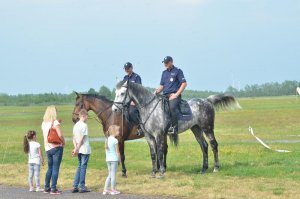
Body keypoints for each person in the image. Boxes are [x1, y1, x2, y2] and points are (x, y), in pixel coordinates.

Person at [154, 56, 187, 135]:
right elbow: (162, 86)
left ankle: (174, 128)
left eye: (167, 62)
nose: (165, 64)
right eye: (164, 63)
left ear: (171, 62)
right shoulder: (164, 73)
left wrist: (176, 94)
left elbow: (184, 83)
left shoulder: (178, 71)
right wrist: (157, 91)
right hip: (165, 95)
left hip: (174, 96)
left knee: (172, 108)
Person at [41, 105, 65, 195]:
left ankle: (47, 187)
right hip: (56, 147)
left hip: (47, 148)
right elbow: (59, 135)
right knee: (55, 168)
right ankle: (53, 189)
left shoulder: (43, 123)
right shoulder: (54, 122)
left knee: (50, 168)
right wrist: (64, 141)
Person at [71, 109, 91, 193]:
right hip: (84, 149)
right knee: (83, 167)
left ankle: (75, 186)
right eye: (87, 116)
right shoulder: (84, 125)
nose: (87, 118)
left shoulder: (75, 125)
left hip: (78, 149)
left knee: (79, 166)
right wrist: (77, 149)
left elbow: (74, 138)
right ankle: (82, 186)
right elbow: (82, 139)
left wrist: (75, 148)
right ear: (83, 116)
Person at [123, 62, 143, 136]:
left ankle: (139, 127)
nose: (126, 70)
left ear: (131, 68)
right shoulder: (125, 78)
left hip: (135, 100)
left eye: (128, 68)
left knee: (132, 112)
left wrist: (134, 101)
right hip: (127, 100)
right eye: (125, 69)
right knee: (122, 111)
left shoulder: (136, 77)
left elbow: (139, 90)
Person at [103, 125, 121, 195]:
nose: (119, 132)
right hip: (114, 160)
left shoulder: (107, 139)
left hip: (108, 160)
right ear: (114, 132)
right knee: (113, 175)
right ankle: (113, 190)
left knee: (110, 175)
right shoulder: (115, 140)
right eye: (118, 131)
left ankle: (105, 189)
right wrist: (119, 160)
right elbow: (117, 152)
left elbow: (106, 151)